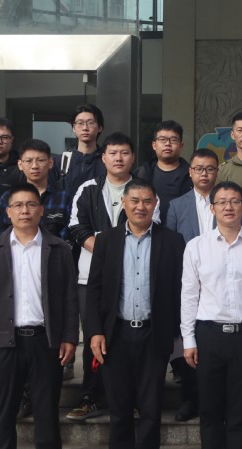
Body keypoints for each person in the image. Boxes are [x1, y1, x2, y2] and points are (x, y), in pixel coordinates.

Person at [0, 183, 79, 449]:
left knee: (47, 412)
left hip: (45, 341)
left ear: (41, 210)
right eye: (18, 205)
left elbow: (70, 298)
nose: (25, 211)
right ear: (8, 212)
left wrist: (69, 337)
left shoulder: (59, 249)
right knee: (4, 411)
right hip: (5, 342)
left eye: (31, 205)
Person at [85, 178, 185, 449]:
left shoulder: (173, 241)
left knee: (151, 408)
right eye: (135, 201)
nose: (141, 207)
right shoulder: (107, 240)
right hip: (115, 333)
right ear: (124, 203)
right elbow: (94, 289)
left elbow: (181, 289)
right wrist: (94, 331)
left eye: (147, 201)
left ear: (155, 204)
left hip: (154, 333)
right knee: (119, 409)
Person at [181, 181, 242, 449]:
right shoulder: (196, 247)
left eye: (234, 201)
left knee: (239, 410)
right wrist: (188, 339)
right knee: (210, 410)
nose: (228, 207)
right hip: (208, 335)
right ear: (212, 208)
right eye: (222, 202)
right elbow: (189, 297)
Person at [67, 132, 157, 422]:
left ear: (133, 157)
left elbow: (151, 226)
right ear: (103, 157)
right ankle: (90, 396)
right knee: (95, 335)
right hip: (91, 278)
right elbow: (76, 228)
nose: (119, 158)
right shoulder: (88, 189)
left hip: (135, 277)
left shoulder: (144, 191)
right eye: (113, 153)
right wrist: (107, 250)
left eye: (125, 153)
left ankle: (132, 399)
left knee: (128, 341)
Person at [164, 148, 221, 422]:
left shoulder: (227, 201)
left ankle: (215, 401)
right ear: (190, 172)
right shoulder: (177, 206)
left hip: (220, 284)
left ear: (217, 172)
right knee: (188, 341)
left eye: (210, 169)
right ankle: (190, 399)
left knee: (214, 344)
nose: (204, 174)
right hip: (188, 283)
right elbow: (171, 246)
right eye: (199, 169)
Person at [0, 139, 71, 241]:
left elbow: (66, 238)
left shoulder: (63, 198)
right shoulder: (8, 197)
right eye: (28, 161)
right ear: (20, 164)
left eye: (41, 160)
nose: (34, 166)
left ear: (50, 163)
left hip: (53, 251)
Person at [136, 120, 193, 224]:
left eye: (173, 140)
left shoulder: (191, 175)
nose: (168, 144)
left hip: (181, 229)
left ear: (181, 145)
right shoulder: (141, 174)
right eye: (162, 139)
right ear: (154, 145)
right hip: (150, 230)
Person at [53, 104, 107, 202]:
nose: (85, 128)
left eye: (90, 123)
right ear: (74, 128)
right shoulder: (60, 161)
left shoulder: (107, 161)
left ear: (100, 127)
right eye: (80, 123)